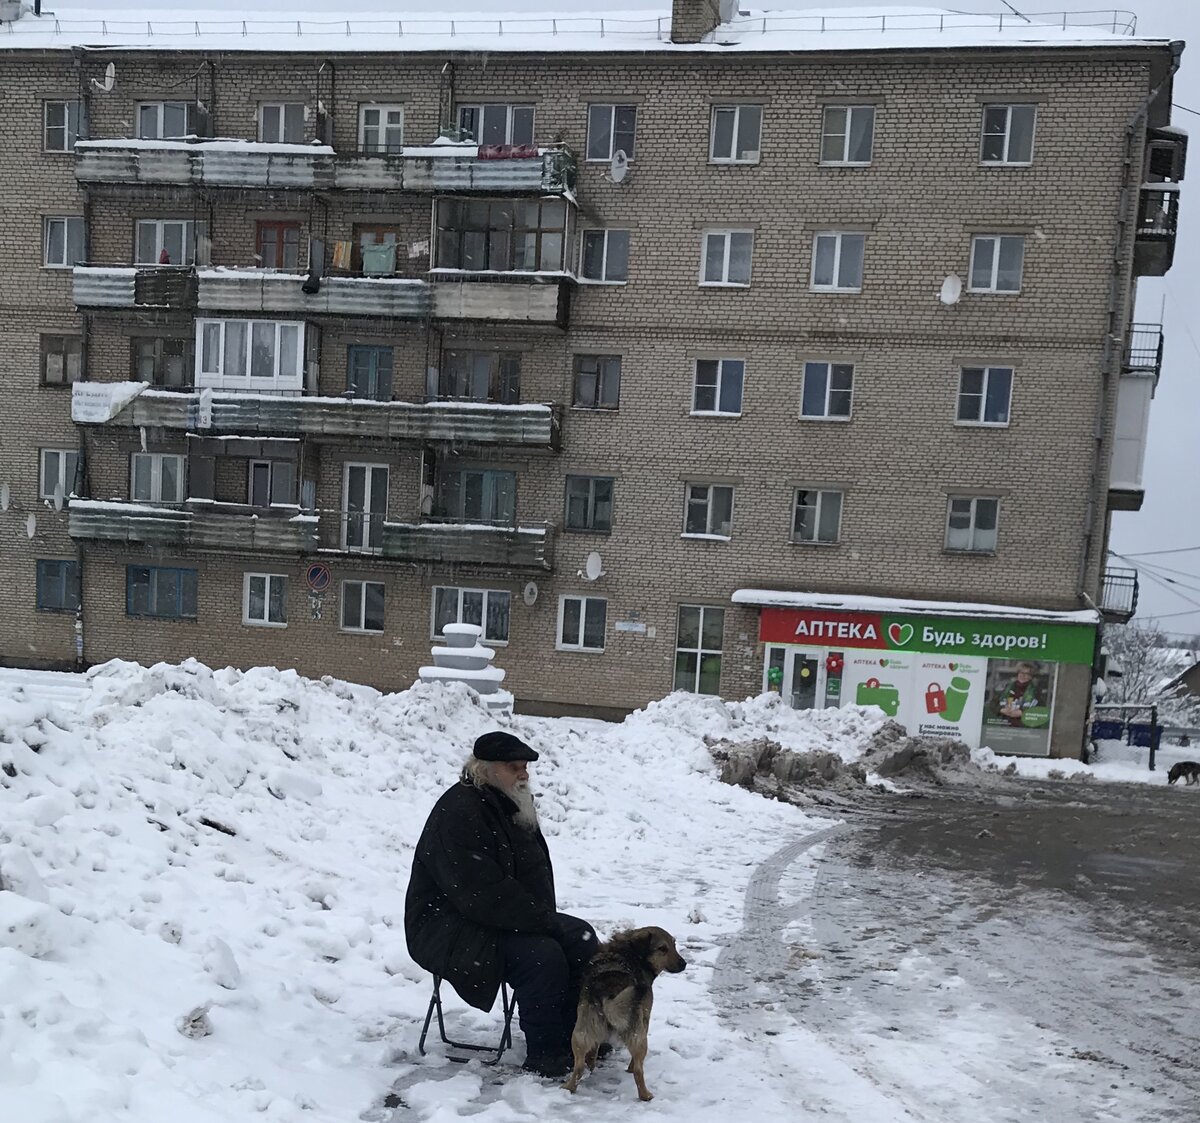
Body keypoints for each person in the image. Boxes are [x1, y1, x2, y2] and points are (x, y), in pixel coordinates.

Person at [405, 730, 597, 1077]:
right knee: (542, 956)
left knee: (581, 937)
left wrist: (546, 921)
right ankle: (547, 1054)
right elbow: (482, 892)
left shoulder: (504, 802)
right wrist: (544, 923)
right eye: (515, 767)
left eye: (525, 767)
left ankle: (579, 1037)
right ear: (486, 769)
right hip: (447, 927)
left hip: (490, 917)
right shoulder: (460, 811)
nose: (523, 774)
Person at [996, 661, 1041, 726]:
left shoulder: (1035, 690)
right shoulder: (1008, 687)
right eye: (1021, 672)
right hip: (1006, 725)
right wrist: (1002, 710)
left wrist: (1022, 713)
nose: (1023, 675)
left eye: (1027, 674)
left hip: (1024, 727)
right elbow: (993, 704)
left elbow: (1040, 710)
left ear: (1031, 676)